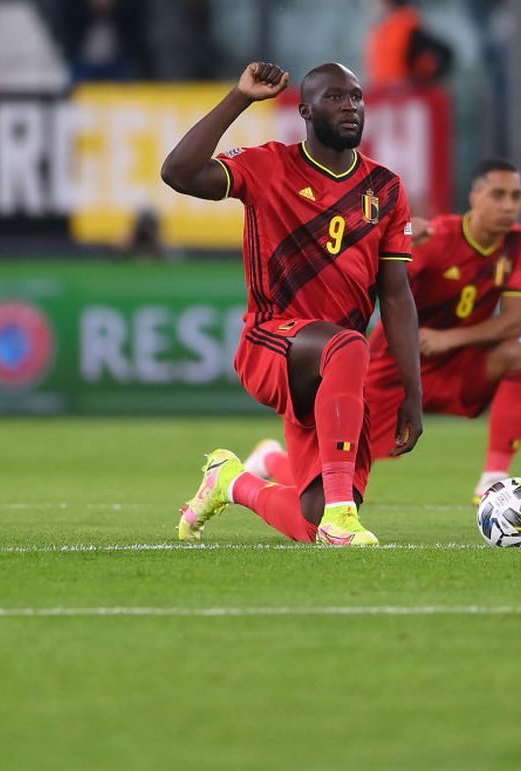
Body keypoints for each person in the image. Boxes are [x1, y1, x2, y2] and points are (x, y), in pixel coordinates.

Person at [160, 61, 423, 546]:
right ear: (304, 110)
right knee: (346, 346)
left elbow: (396, 295)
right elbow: (178, 172)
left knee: (309, 520)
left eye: (357, 97)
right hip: (270, 342)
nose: (350, 106)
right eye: (335, 97)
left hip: (338, 374)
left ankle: (233, 482)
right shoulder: (270, 166)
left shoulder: (385, 189)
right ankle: (344, 517)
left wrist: (412, 390)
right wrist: (240, 97)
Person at [247, 159, 521, 503]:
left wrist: (450, 339)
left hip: (456, 367)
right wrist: (397, 243)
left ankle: (493, 479)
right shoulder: (435, 238)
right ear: (474, 197)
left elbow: (513, 322)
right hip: (393, 373)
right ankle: (271, 459)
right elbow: (383, 287)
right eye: (498, 194)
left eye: (516, 196)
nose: (509, 205)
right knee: (336, 480)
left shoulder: (519, 242)